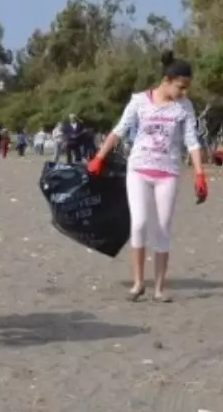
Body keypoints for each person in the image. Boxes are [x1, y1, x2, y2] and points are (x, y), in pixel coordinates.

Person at [86, 50, 207, 302]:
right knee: (139, 223)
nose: (183, 92)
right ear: (167, 80)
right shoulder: (140, 101)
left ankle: (160, 288)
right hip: (139, 169)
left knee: (161, 228)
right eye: (180, 87)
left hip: (168, 172)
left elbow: (191, 141)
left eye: (186, 88)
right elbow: (119, 130)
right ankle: (138, 283)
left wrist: (199, 173)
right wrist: (99, 156)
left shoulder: (184, 107)